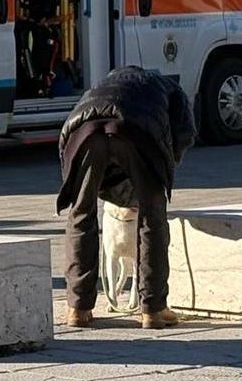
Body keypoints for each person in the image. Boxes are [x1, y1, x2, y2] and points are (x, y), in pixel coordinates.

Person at [56, 66, 196, 330]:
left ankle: (78, 307)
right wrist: (161, 173)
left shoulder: (104, 83)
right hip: (136, 130)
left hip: (83, 130)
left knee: (81, 214)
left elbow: (67, 143)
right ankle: (153, 309)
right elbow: (184, 135)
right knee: (152, 217)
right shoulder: (172, 90)